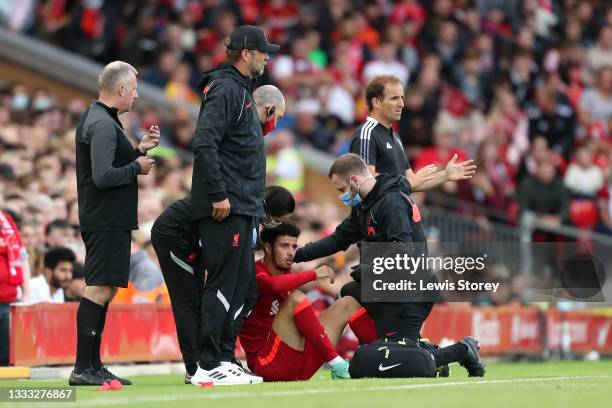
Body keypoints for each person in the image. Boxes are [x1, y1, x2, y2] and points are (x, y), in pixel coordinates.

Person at [293, 153, 485, 377]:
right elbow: (337, 240)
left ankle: (462, 349)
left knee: (396, 360)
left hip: (411, 290)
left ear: (354, 181)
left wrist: (364, 271)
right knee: (350, 294)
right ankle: (426, 355)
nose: (341, 196)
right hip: (387, 289)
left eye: (340, 190)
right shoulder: (366, 205)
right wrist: (297, 256)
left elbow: (402, 254)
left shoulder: (391, 203)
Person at [189, 25, 280, 386]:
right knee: (225, 283)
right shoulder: (227, 88)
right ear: (246, 54)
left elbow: (235, 145)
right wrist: (217, 194)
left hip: (242, 205)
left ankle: (223, 357)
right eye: (262, 51)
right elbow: (205, 142)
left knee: (245, 287)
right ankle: (208, 363)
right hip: (225, 205)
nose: (267, 57)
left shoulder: (241, 90)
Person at [71, 61, 159, 386]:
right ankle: (84, 367)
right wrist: (137, 166)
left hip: (107, 218)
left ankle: (93, 366)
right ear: (121, 89)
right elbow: (103, 176)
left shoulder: (99, 117)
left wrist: (138, 149)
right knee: (98, 288)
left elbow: (107, 164)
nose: (136, 96)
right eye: (133, 89)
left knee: (105, 289)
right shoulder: (104, 123)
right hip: (105, 218)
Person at [152, 183, 292, 385]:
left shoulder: (249, 209)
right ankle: (194, 367)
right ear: (269, 212)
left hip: (191, 239)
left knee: (243, 291)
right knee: (189, 303)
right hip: (173, 236)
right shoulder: (246, 208)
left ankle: (222, 357)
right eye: (279, 221)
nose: (276, 227)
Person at [240, 221, 372, 381]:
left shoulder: (287, 271)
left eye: (294, 247)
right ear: (268, 248)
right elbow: (275, 286)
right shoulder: (256, 272)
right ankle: (337, 364)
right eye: (284, 246)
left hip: (297, 359)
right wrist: (314, 274)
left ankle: (376, 357)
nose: (290, 253)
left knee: (348, 303)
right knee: (296, 298)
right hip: (267, 364)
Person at [349, 75, 476, 190]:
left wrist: (445, 175)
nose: (401, 104)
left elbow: (412, 182)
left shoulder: (395, 138)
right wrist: (405, 183)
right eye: (394, 98)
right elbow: (366, 177)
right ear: (376, 102)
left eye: (402, 98)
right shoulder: (367, 133)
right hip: (375, 214)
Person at [0, 209, 30, 366]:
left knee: (6, 355)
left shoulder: (6, 220)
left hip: (9, 299)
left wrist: (26, 294)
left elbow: (22, 257)